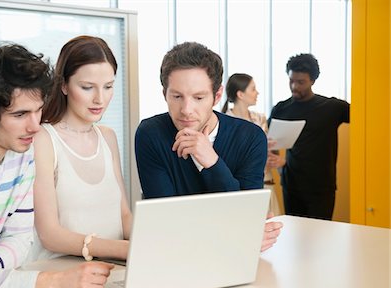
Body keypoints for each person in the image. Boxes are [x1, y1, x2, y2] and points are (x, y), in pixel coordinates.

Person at [0, 43, 113, 288]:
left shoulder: (21, 152)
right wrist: (51, 284)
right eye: (20, 114)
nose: (35, 126)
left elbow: (20, 241)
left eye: (38, 110)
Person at [135, 42, 283, 252]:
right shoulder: (151, 134)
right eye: (176, 96)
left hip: (236, 260)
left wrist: (211, 161)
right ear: (164, 94)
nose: (186, 110)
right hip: (175, 255)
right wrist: (238, 235)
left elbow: (245, 216)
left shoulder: (250, 137)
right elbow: (165, 223)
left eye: (199, 97)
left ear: (218, 95)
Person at [26, 35, 132, 263]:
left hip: (115, 267)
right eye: (87, 87)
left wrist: (151, 244)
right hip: (62, 271)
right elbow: (49, 235)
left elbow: (124, 216)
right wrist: (124, 250)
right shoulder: (44, 139)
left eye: (108, 87)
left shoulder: (108, 137)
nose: (100, 99)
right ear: (64, 85)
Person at [268, 53, 350, 220]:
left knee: (321, 238)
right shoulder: (281, 109)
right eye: (291, 80)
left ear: (312, 80)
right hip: (291, 186)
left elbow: (367, 119)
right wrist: (278, 166)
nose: (294, 86)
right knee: (295, 237)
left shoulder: (332, 108)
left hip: (321, 188)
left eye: (301, 82)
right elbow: (270, 143)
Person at [222, 73, 282, 215]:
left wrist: (272, 153)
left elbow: (269, 149)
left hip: (267, 180)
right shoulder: (224, 122)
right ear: (240, 94)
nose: (257, 93)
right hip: (240, 185)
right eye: (253, 89)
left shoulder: (260, 118)